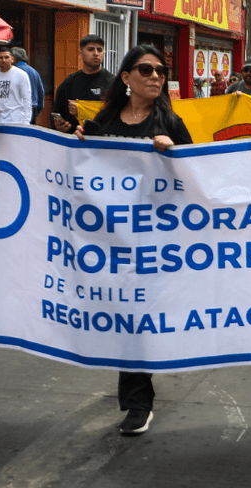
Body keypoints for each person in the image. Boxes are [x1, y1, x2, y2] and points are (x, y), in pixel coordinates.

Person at [73, 45, 193, 435]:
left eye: (160, 70)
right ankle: (137, 399)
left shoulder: (171, 123)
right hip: (110, 243)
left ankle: (141, 398)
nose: (156, 76)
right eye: (145, 70)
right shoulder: (104, 120)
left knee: (140, 320)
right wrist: (77, 142)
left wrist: (172, 155)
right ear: (126, 78)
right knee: (124, 320)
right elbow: (84, 170)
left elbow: (195, 176)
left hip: (155, 242)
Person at [52, 34, 115, 133]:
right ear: (80, 53)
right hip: (74, 142)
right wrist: (60, 126)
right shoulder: (69, 83)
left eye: (99, 50)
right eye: (90, 49)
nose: (96, 53)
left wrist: (82, 111)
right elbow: (56, 114)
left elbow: (117, 117)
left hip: (102, 143)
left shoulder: (112, 83)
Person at [10, 47, 44, 124]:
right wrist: (39, 108)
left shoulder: (13, 72)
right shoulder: (34, 71)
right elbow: (41, 91)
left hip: (17, 109)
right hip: (33, 107)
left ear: (15, 58)